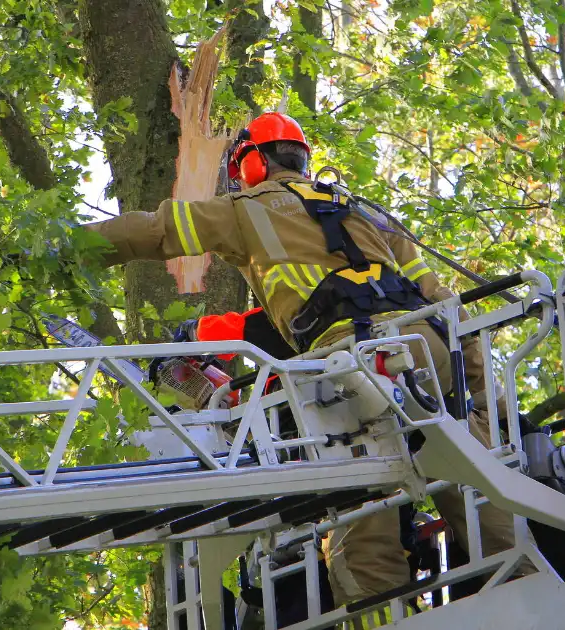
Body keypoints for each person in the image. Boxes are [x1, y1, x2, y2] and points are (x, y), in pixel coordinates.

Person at [85, 112, 524, 607]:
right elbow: (446, 305)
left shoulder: (245, 207)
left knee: (361, 524)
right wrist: (487, 404)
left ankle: (384, 616)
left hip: (349, 368)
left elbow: (155, 230)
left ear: (250, 163)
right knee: (473, 487)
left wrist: (72, 247)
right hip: (428, 352)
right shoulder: (365, 212)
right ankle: (537, 592)